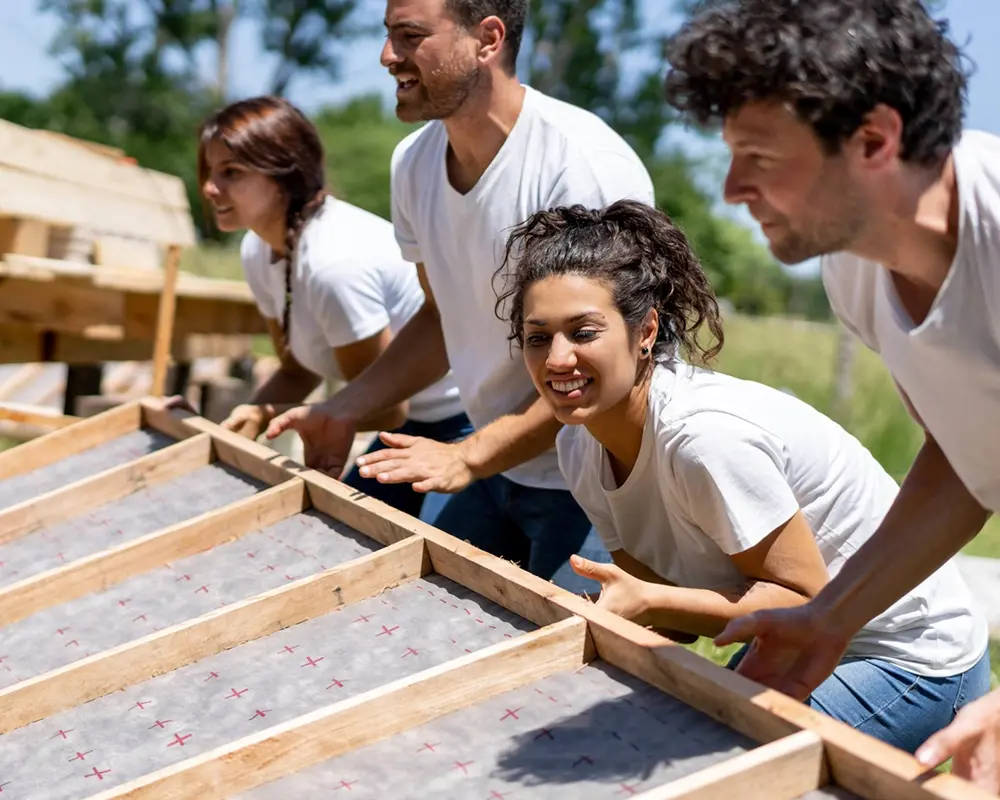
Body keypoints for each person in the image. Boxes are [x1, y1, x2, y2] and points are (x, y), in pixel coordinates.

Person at [493, 197, 989, 753]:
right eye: (538, 337)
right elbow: (666, 608)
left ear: (646, 332)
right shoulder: (578, 449)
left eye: (583, 332)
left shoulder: (704, 439)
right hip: (794, 644)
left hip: (907, 657)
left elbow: (801, 601)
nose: (557, 359)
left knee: (717, 767)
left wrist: (649, 604)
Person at [661, 0, 1000, 787]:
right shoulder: (856, 266)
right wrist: (832, 617)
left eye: (760, 158)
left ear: (874, 140)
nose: (732, 188)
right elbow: (965, 458)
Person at [264, 0, 656, 593]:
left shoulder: (581, 168)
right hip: (491, 462)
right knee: (410, 615)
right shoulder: (413, 163)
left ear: (488, 39)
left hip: (595, 478)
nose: (386, 55)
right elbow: (439, 317)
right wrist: (343, 409)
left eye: (410, 35)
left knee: (567, 670)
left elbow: (608, 364)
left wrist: (468, 456)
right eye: (387, 35)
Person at [196, 95, 471, 519]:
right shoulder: (258, 249)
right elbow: (296, 369)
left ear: (284, 174)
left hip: (459, 424)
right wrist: (246, 417)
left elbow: (385, 407)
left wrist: (274, 417)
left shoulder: (333, 264)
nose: (210, 189)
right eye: (209, 172)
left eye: (231, 172)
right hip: (403, 425)